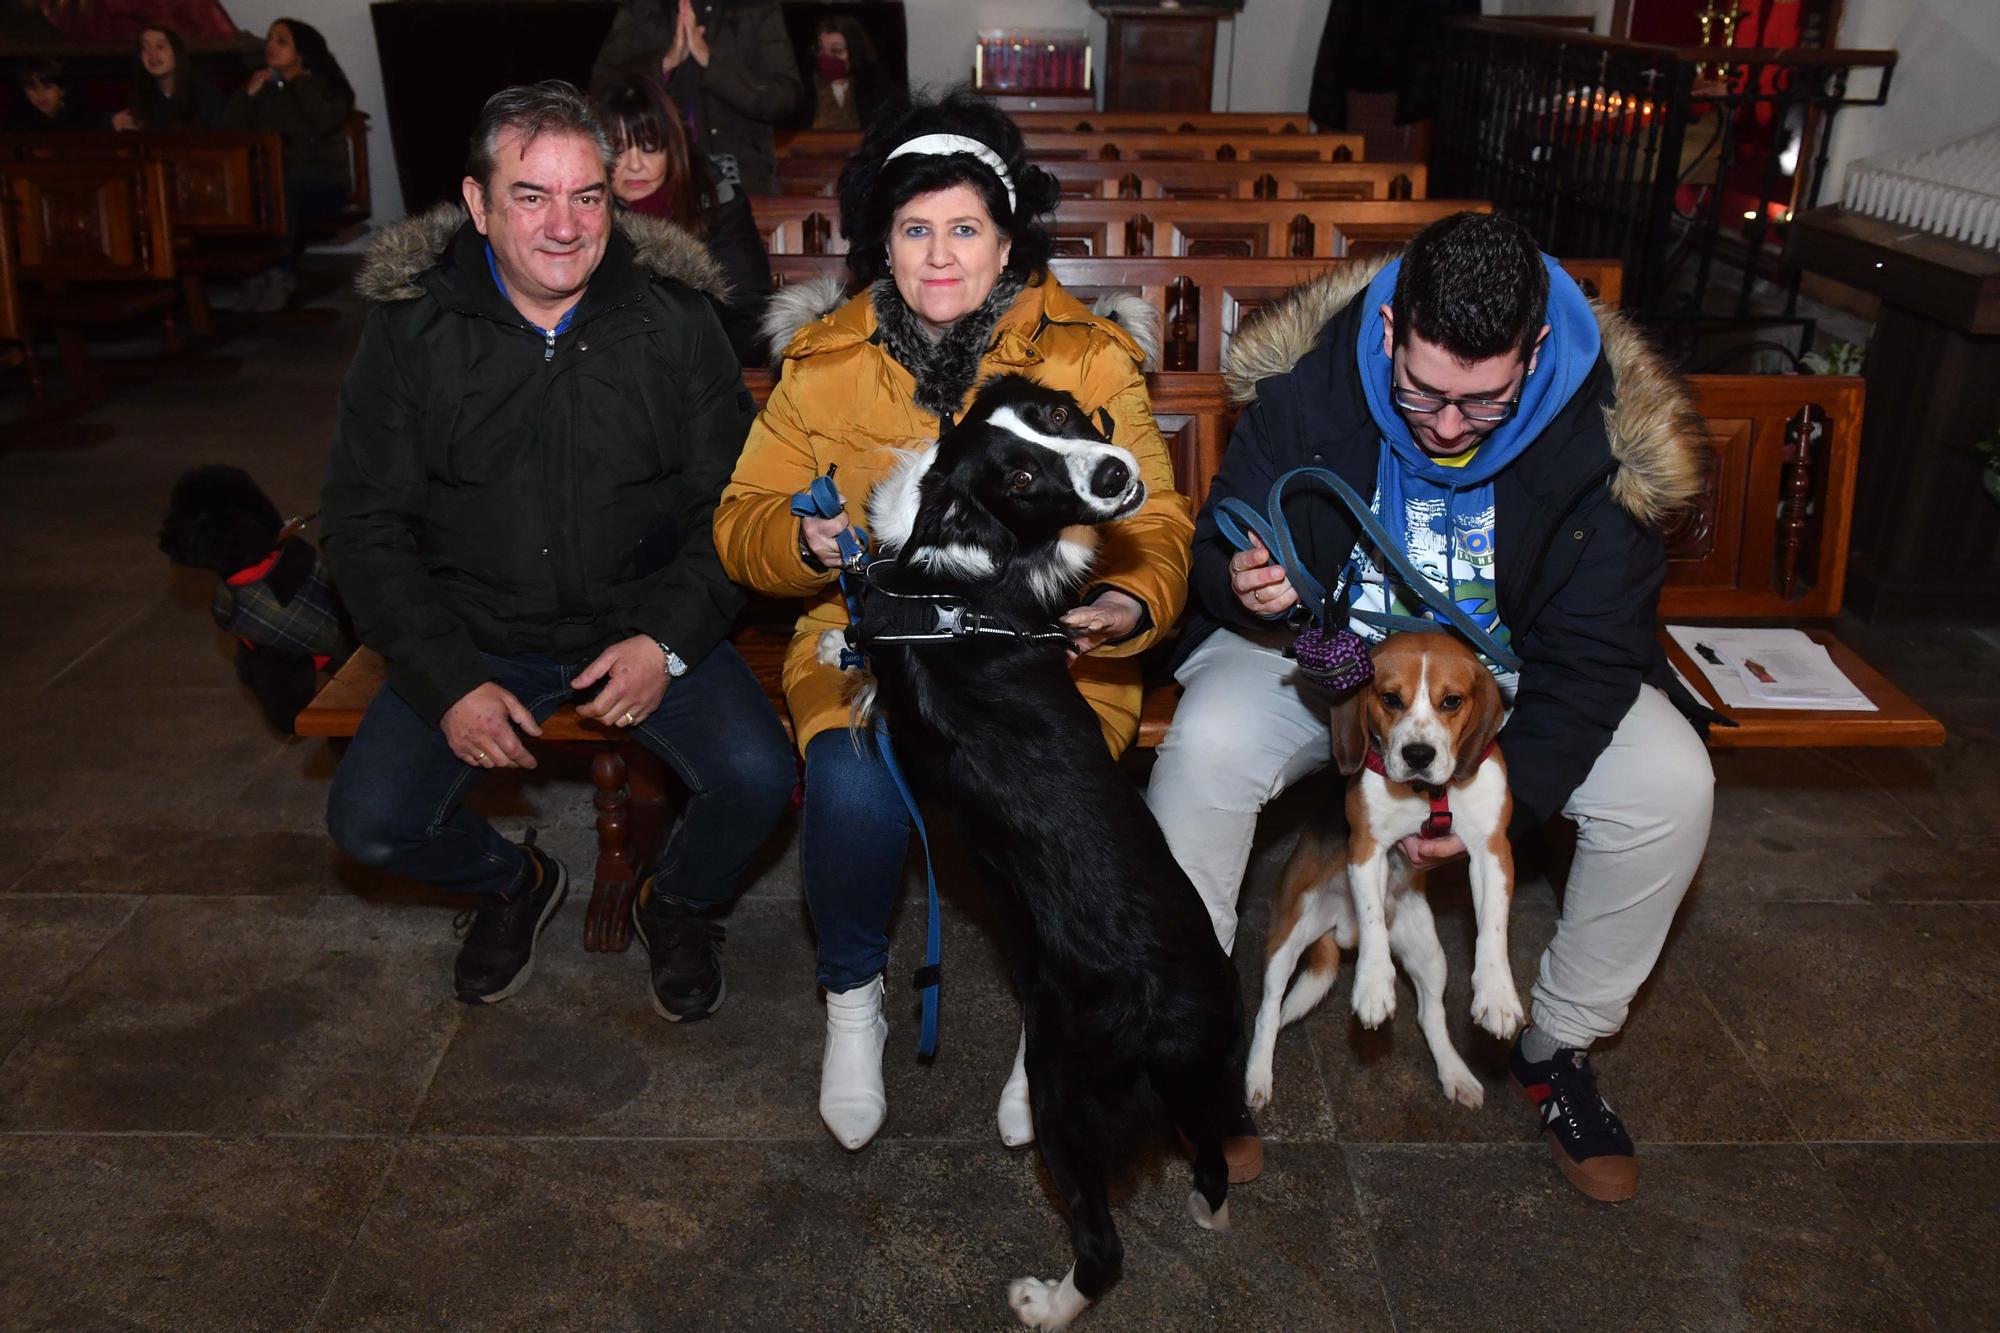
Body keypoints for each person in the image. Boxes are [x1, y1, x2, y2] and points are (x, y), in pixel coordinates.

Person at [1148, 211, 1713, 1203]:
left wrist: (1503, 797)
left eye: (1483, 401)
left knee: (1668, 785)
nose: (1446, 425)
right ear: (1385, 331)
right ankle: (1188, 1042)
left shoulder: (1609, 438)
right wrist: (1242, 582)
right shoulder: (1310, 388)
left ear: (1534, 352)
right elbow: (1213, 540)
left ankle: (1557, 1048)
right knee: (1205, 748)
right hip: (1320, 660)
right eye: (1422, 392)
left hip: (1503, 684)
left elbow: (1589, 662)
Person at [712, 88, 1194, 1156]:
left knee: (1049, 808)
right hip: (873, 645)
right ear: (881, 242)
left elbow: (1154, 518)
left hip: (1045, 653)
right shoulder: (826, 360)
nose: (939, 256)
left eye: (964, 229)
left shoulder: (1083, 355)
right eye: (914, 229)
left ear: (1007, 237)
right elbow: (742, 521)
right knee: (846, 780)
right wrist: (806, 547)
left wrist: (1127, 600)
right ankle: (850, 1000)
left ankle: (1049, 1020)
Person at [322, 81, 795, 1017]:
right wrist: (445, 678)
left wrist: (665, 641)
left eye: (587, 196)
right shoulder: (414, 328)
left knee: (761, 777)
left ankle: (682, 901)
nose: (565, 226)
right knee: (369, 822)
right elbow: (361, 522)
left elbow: (733, 504)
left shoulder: (674, 319)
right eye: (531, 196)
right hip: (478, 629)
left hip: (641, 616)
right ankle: (512, 881)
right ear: (477, 203)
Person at [589, 72, 771, 365]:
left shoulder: (717, 202)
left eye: (650, 147)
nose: (635, 165)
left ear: (671, 149)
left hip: (700, 368)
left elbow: (749, 316)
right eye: (619, 150)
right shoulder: (583, 213)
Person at [591, 0, 801, 197]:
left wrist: (710, 61)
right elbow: (601, 90)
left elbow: (785, 99)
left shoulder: (756, 6)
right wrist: (664, 63)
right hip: (653, 184)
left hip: (741, 180)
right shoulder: (643, 6)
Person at [220, 18, 356, 309]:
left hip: (321, 186)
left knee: (282, 192)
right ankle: (255, 277)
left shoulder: (325, 86)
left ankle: (278, 276)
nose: (270, 45)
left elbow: (323, 121)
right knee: (247, 194)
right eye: (269, 39)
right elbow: (228, 135)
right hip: (271, 186)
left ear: (302, 51)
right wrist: (248, 96)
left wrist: (298, 79)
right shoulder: (264, 89)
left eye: (281, 41)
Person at [112, 25, 222, 132]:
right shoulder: (139, 96)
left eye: (160, 47)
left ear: (177, 51)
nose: (152, 55)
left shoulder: (206, 98)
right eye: (145, 48)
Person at [805, 16, 889, 131]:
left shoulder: (875, 85)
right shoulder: (805, 86)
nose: (827, 57)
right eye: (821, 49)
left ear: (854, 51)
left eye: (836, 50)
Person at [10, 57, 98, 131]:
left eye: (48, 87)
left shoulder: (82, 118)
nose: (40, 95)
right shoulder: (18, 120)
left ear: (62, 90)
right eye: (32, 88)